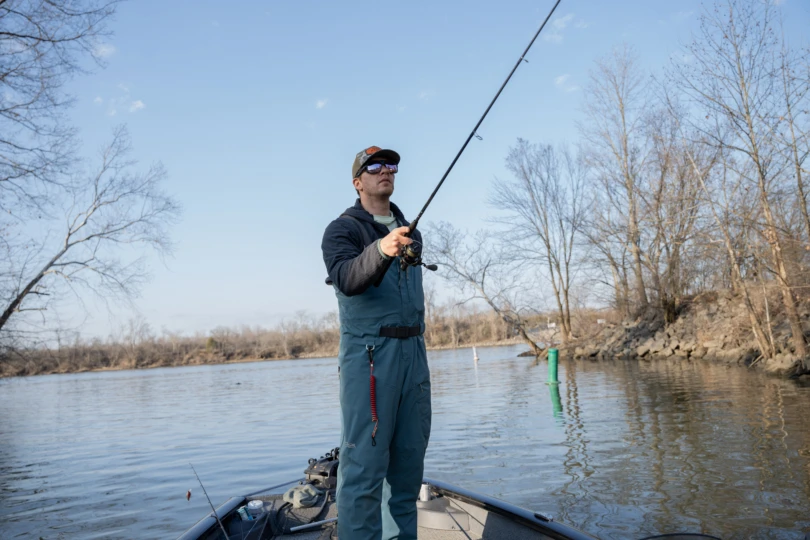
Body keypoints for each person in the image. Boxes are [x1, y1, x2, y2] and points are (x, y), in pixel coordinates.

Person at [321, 146, 431, 540]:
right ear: (358, 181)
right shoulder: (342, 230)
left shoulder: (410, 231)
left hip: (414, 359)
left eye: (391, 165)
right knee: (364, 473)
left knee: (407, 470)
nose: (385, 170)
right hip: (369, 361)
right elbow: (348, 278)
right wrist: (382, 249)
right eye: (374, 166)